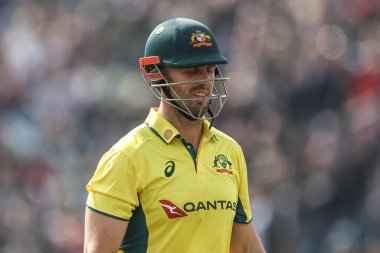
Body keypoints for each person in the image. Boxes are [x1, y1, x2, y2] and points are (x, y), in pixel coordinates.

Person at [84, 17, 266, 253]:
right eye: (191, 71)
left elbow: (245, 245)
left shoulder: (229, 151)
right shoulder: (126, 157)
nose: (205, 82)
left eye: (210, 70)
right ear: (156, 74)